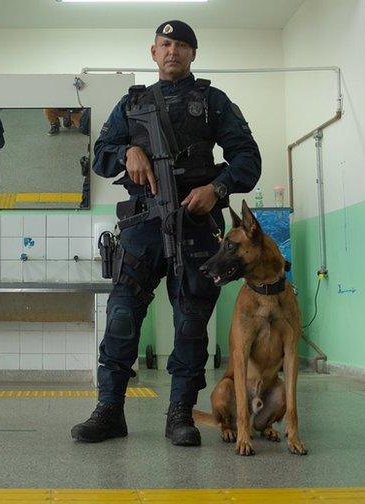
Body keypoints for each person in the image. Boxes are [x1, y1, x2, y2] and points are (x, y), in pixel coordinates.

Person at [71, 20, 262, 446]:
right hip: (142, 228)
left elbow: (248, 158)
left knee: (191, 323)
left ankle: (180, 414)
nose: (172, 51)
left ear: (193, 54)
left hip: (195, 227)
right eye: (164, 44)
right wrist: (128, 150)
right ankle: (109, 410)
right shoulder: (131, 103)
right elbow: (101, 156)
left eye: (180, 45)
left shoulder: (213, 102)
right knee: (121, 319)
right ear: (152, 53)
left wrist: (217, 188)